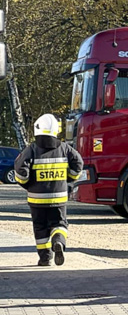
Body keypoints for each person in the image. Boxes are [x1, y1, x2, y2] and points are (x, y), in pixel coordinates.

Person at [14, 114, 83, 266]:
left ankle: (45, 258)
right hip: (58, 198)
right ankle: (58, 240)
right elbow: (78, 162)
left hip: (36, 198)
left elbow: (20, 170)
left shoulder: (31, 149)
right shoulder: (65, 148)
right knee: (59, 223)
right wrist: (69, 179)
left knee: (40, 227)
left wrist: (27, 183)